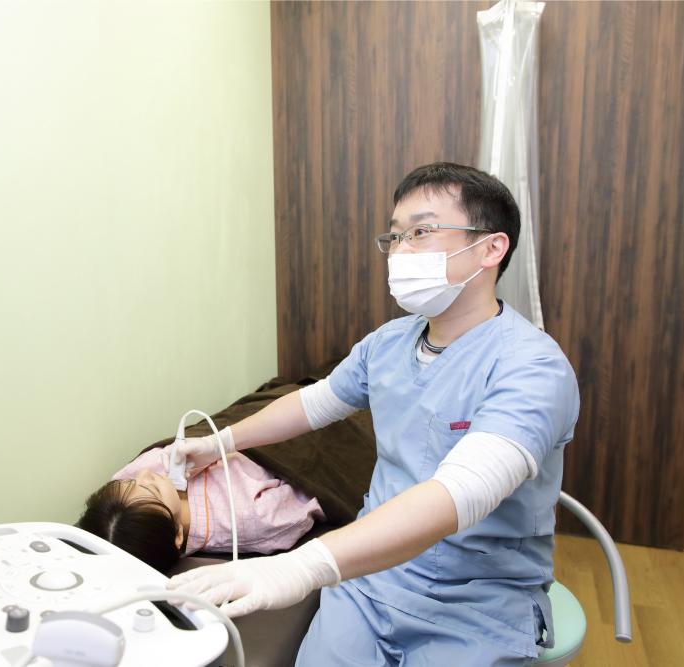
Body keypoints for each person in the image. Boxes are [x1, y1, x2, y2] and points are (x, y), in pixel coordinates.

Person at [164, 163, 580, 666]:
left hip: (479, 600)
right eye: (395, 236)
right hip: (370, 580)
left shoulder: (533, 367)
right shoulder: (387, 344)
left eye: (421, 232)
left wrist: (304, 565)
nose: (400, 252)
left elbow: (461, 492)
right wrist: (222, 443)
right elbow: (313, 403)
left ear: (491, 248)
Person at [77, 439, 325, 573]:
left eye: (130, 482)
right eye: (153, 490)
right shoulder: (252, 520)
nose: (143, 473)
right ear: (177, 535)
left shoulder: (121, 495)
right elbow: (310, 483)